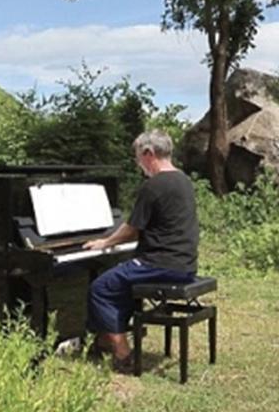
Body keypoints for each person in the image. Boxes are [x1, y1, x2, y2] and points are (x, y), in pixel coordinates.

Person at [83, 129, 199, 371]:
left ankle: (123, 356)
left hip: (160, 264)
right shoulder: (183, 180)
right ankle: (106, 338)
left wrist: (105, 242)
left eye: (137, 157)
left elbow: (131, 230)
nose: (138, 163)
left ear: (148, 153)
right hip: (185, 264)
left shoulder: (154, 185)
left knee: (101, 287)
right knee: (120, 281)